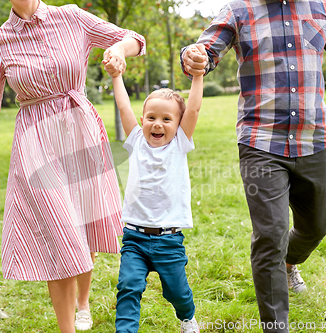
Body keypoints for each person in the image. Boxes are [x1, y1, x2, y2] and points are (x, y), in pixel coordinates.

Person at [180, 1, 326, 332]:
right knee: (270, 235)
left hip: (314, 140)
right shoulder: (239, 9)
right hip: (260, 140)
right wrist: (193, 57)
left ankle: (290, 262)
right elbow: (204, 52)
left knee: (316, 226)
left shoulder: (325, 6)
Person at [0, 0, 145, 332]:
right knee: (60, 232)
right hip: (36, 142)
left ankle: (83, 302)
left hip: (80, 132)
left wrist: (118, 48)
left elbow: (134, 38)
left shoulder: (71, 16)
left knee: (83, 225)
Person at [103, 46, 204, 333]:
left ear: (178, 124)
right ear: (143, 119)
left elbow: (193, 108)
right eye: (151, 117)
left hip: (168, 239)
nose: (157, 124)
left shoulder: (180, 143)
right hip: (134, 236)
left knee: (177, 292)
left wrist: (197, 76)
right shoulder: (136, 140)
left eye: (166, 119)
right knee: (128, 288)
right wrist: (117, 76)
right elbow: (124, 107)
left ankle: (187, 316)